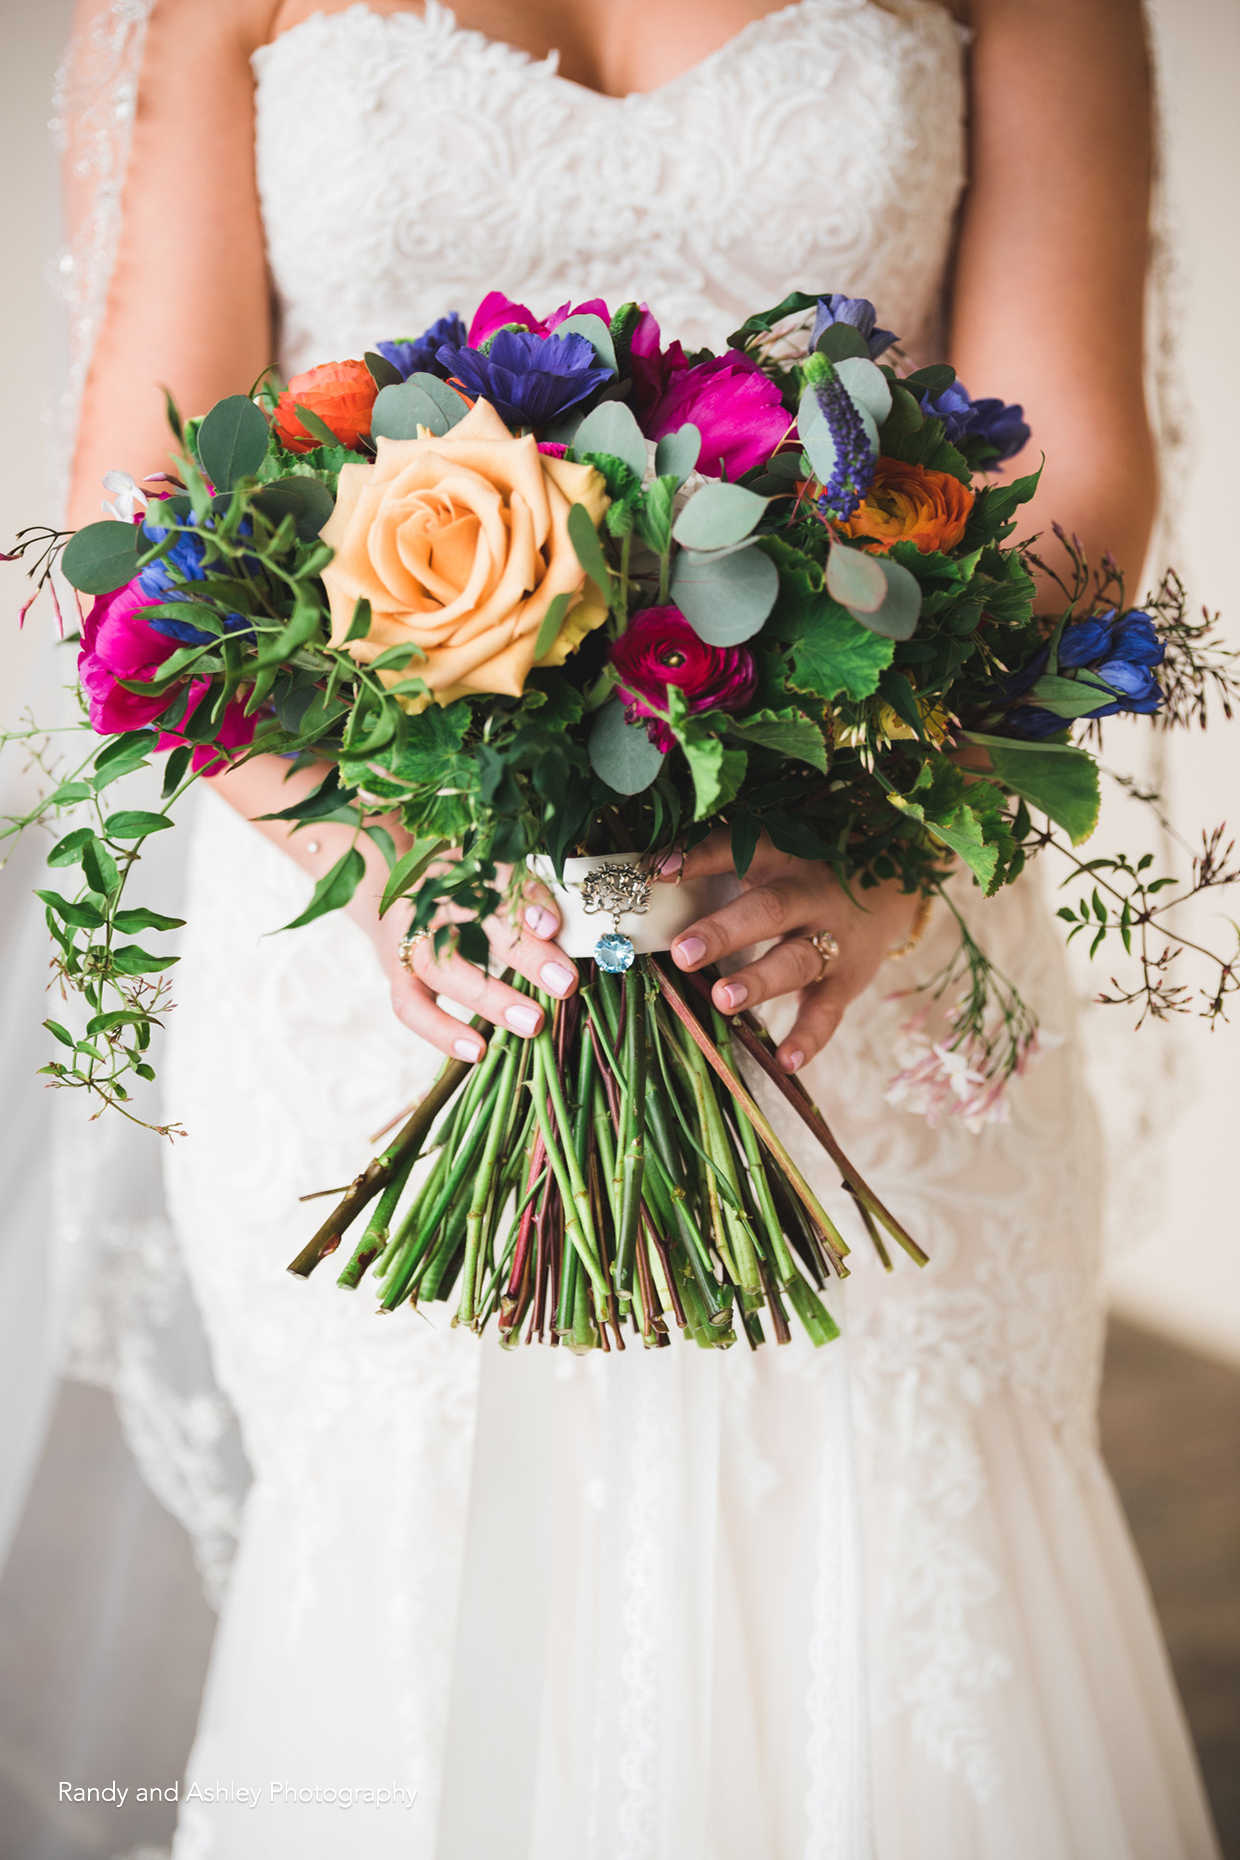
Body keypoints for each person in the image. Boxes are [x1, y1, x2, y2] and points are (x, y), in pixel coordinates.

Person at [61, 0, 1222, 1854]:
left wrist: (879, 864)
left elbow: (1071, 482)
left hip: (863, 919)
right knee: (430, 1589)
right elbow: (137, 517)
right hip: (388, 950)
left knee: (890, 1554)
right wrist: (384, 865)